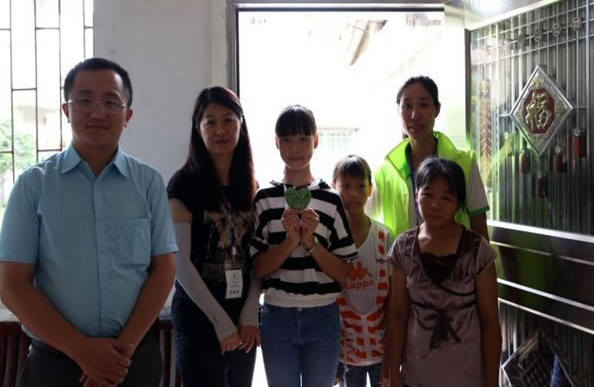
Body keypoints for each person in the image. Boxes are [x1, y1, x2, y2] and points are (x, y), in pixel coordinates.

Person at [0, 57, 177, 387]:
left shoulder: (149, 183)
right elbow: (12, 284)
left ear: (128, 115)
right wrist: (82, 351)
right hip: (55, 364)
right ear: (66, 110)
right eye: (84, 100)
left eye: (111, 101)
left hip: (132, 359)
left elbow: (163, 269)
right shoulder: (33, 185)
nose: (97, 112)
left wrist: (118, 355)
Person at [250, 105, 358, 387]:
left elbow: (344, 273)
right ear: (276, 142)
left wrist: (311, 242)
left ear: (316, 140)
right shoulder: (264, 198)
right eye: (287, 139)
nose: (295, 148)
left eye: (302, 139)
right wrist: (290, 242)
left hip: (323, 315)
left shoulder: (331, 199)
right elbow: (258, 269)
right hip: (277, 315)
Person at [167, 86, 261, 387]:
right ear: (198, 128)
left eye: (229, 120)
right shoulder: (183, 184)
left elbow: (258, 258)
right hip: (200, 319)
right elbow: (180, 262)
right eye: (210, 122)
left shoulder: (252, 186)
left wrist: (250, 313)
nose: (220, 130)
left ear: (241, 124)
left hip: (241, 319)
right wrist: (220, 323)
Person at [387, 157, 501, 387]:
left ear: (459, 203)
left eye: (446, 198)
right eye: (427, 195)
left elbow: (490, 321)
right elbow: (397, 313)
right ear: (416, 195)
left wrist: (492, 382)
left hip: (467, 377)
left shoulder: (477, 250)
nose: (435, 205)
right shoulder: (403, 247)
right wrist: (393, 370)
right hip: (416, 375)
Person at [368, 76, 489, 239]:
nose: (414, 115)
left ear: (437, 109)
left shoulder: (464, 163)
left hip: (456, 256)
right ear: (398, 111)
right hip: (403, 256)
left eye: (423, 105)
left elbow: (480, 229)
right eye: (407, 106)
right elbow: (363, 220)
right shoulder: (385, 172)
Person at [331, 155, 394, 387]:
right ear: (334, 187)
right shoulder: (330, 241)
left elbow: (393, 302)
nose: (354, 194)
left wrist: (393, 355)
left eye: (360, 186)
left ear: (370, 189)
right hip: (346, 354)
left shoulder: (384, 237)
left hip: (382, 352)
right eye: (346, 186)